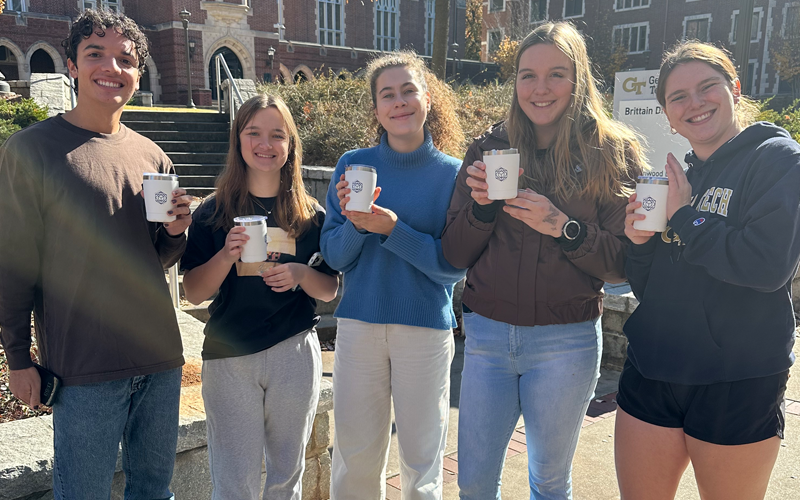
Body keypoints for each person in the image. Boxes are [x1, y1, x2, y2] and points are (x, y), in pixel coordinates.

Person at [442, 22, 646, 500]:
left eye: (556, 74)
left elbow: (623, 267)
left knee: (549, 482)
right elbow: (453, 254)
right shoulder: (488, 148)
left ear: (578, 80)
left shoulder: (612, 152)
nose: (539, 88)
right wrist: (482, 210)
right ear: (514, 81)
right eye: (527, 75)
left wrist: (563, 227)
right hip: (489, 336)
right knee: (472, 482)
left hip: (567, 343)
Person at [0, 9, 193, 499]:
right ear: (71, 65)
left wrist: (174, 232)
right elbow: (13, 262)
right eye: (95, 54)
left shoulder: (152, 156)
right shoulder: (31, 150)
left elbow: (153, 259)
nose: (112, 67)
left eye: (125, 59)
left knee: (154, 491)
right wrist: (19, 358)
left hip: (159, 358)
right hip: (83, 369)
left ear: (138, 71)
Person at [616, 41, 800, 500]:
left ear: (735, 90)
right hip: (653, 369)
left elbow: (767, 266)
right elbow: (648, 284)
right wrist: (638, 244)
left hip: (736, 378)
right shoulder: (682, 177)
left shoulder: (778, 159)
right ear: (667, 114)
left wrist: (685, 217)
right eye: (678, 97)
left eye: (706, 87)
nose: (694, 103)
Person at [320, 51, 466, 500]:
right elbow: (335, 257)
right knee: (355, 456)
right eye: (388, 94)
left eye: (408, 91)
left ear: (428, 98)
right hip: (359, 325)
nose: (399, 102)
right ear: (376, 107)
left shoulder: (452, 174)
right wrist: (354, 222)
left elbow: (452, 267)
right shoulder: (352, 165)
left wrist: (391, 229)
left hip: (424, 331)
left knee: (422, 463)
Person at [180, 94, 339, 500]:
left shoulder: (311, 215)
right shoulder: (213, 212)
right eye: (254, 133)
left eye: (276, 135)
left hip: (294, 352)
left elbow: (329, 289)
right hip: (230, 358)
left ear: (290, 145)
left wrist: (302, 274)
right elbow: (194, 291)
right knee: (235, 481)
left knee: (286, 475)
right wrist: (226, 254)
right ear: (238, 139)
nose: (265, 145)